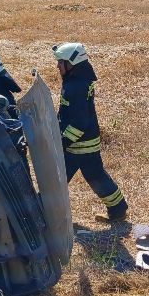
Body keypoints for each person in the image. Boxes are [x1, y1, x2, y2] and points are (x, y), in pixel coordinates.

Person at [52, 42, 128, 222]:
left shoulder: (75, 87)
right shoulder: (77, 81)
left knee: (56, 180)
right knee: (95, 176)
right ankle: (118, 209)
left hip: (79, 145)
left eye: (60, 62)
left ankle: (46, 214)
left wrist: (63, 142)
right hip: (85, 142)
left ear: (71, 64)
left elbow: (79, 122)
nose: (57, 66)